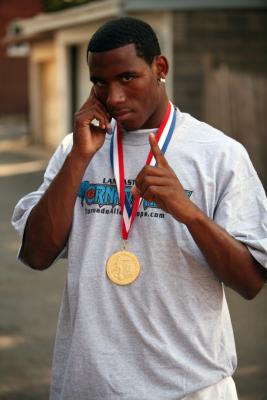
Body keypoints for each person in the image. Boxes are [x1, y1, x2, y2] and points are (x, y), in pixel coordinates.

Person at [12, 17, 267, 400]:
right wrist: (80, 159)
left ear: (160, 68)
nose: (113, 97)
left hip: (190, 387)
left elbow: (250, 282)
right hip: (88, 385)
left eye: (127, 77)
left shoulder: (219, 154)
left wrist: (189, 212)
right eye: (100, 81)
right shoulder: (75, 149)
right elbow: (36, 254)